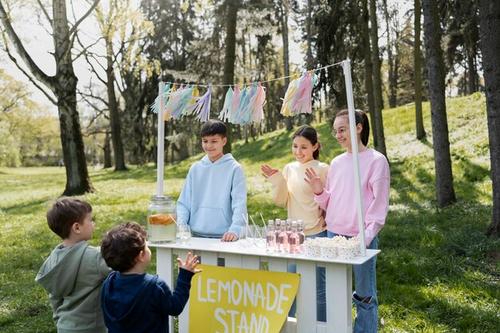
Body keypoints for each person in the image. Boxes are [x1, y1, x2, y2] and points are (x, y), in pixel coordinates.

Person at [305, 109, 390, 333]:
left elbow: (379, 208)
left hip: (361, 238)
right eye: (336, 131)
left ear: (358, 127)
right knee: (335, 292)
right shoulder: (337, 162)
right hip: (334, 236)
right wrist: (318, 191)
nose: (338, 135)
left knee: (364, 295)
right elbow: (330, 202)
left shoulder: (377, 161)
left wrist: (366, 237)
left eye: (342, 130)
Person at [261, 125, 329, 321]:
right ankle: (286, 325)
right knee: (289, 284)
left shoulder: (323, 169)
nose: (298, 152)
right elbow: (281, 201)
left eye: (304, 147)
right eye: (295, 146)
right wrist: (278, 181)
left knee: (319, 286)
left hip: (317, 233)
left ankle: (320, 326)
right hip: (293, 235)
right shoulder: (289, 168)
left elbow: (328, 200)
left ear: (315, 146)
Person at [100, 222, 200, 333]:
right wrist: (185, 276)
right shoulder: (154, 286)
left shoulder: (108, 283)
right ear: (141, 255)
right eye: (146, 245)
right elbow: (175, 307)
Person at [35, 198, 110, 333]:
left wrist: (60, 322)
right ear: (77, 227)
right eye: (90, 220)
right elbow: (122, 272)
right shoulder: (95, 257)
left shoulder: (52, 260)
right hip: (93, 328)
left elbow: (55, 299)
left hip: (65, 326)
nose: (93, 224)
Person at [177, 119, 247, 241]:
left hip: (225, 237)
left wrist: (235, 229)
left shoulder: (234, 169)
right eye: (205, 141)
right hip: (195, 236)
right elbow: (184, 202)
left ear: (224, 141)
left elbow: (239, 203)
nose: (209, 146)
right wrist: (182, 226)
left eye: (214, 141)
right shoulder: (195, 168)